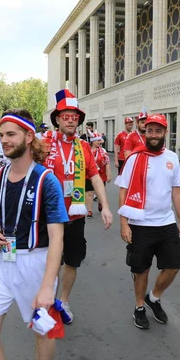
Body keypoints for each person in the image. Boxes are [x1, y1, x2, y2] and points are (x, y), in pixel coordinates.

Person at [0, 109, 68, 360]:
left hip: (35, 263)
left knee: (42, 331)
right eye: (2, 134)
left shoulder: (46, 180)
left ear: (29, 137)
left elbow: (57, 238)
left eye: (11, 134)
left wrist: (48, 286)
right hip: (1, 262)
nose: (4, 140)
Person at [43, 89, 113, 324]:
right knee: (46, 261)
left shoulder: (83, 147)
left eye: (75, 117)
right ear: (57, 119)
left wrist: (105, 206)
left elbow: (95, 177)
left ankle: (63, 301)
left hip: (74, 216)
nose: (71, 120)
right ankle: (47, 300)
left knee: (73, 260)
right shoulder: (44, 144)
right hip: (47, 216)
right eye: (66, 116)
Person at [116, 114, 180, 330]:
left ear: (165, 133)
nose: (153, 135)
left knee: (174, 266)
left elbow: (176, 191)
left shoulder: (172, 158)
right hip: (140, 223)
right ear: (144, 132)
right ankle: (139, 307)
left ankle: (153, 298)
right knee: (141, 270)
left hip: (166, 223)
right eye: (149, 131)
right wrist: (124, 223)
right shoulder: (134, 158)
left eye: (158, 131)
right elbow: (123, 191)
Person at [86, 133, 111, 218]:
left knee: (100, 192)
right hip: (89, 175)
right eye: (98, 140)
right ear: (93, 141)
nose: (100, 142)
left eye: (100, 140)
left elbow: (107, 162)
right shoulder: (87, 150)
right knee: (89, 192)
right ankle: (89, 211)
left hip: (101, 175)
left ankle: (100, 203)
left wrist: (108, 174)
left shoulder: (103, 151)